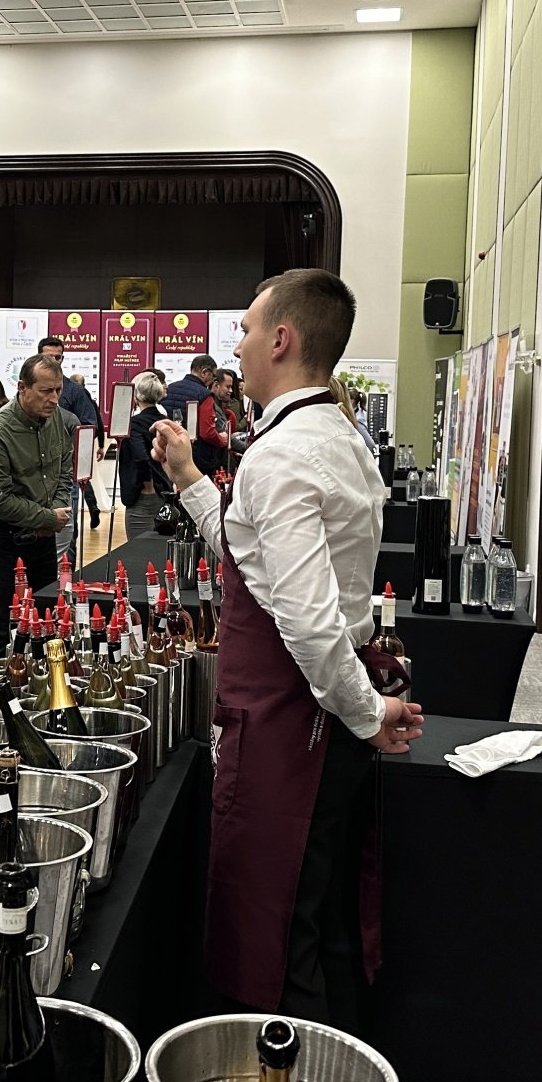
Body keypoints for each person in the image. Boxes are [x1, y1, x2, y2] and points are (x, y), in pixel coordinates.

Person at [151, 269, 422, 1030]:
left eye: (244, 330)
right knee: (313, 911)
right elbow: (259, 561)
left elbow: (306, 621)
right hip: (310, 716)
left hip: (289, 723)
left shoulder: (285, 454)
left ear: (281, 339)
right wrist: (190, 479)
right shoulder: (333, 437)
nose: (234, 346)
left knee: (275, 926)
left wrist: (365, 713)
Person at [0, 354, 73, 648]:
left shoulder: (54, 416)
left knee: (47, 619)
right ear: (22, 387)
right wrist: (48, 517)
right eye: (46, 391)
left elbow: (64, 467)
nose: (54, 399)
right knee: (5, 625)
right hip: (6, 540)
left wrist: (56, 509)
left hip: (43, 538)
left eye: (58, 390)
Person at [38, 336, 102, 530]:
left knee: (67, 527)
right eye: (49, 357)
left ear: (62, 359)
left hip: (65, 471)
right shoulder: (30, 389)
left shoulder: (75, 391)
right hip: (35, 469)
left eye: (57, 357)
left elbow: (89, 426)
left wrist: (67, 446)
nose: (53, 361)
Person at [161, 354, 232, 480]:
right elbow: (207, 433)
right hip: (195, 458)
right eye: (213, 375)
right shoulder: (204, 395)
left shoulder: (169, 389)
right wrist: (221, 440)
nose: (213, 380)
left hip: (167, 451)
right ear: (204, 372)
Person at [118, 370, 171, 511]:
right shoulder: (166, 421)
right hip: (165, 488)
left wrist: (149, 487)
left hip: (143, 494)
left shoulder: (134, 424)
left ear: (136, 396)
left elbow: (141, 457)